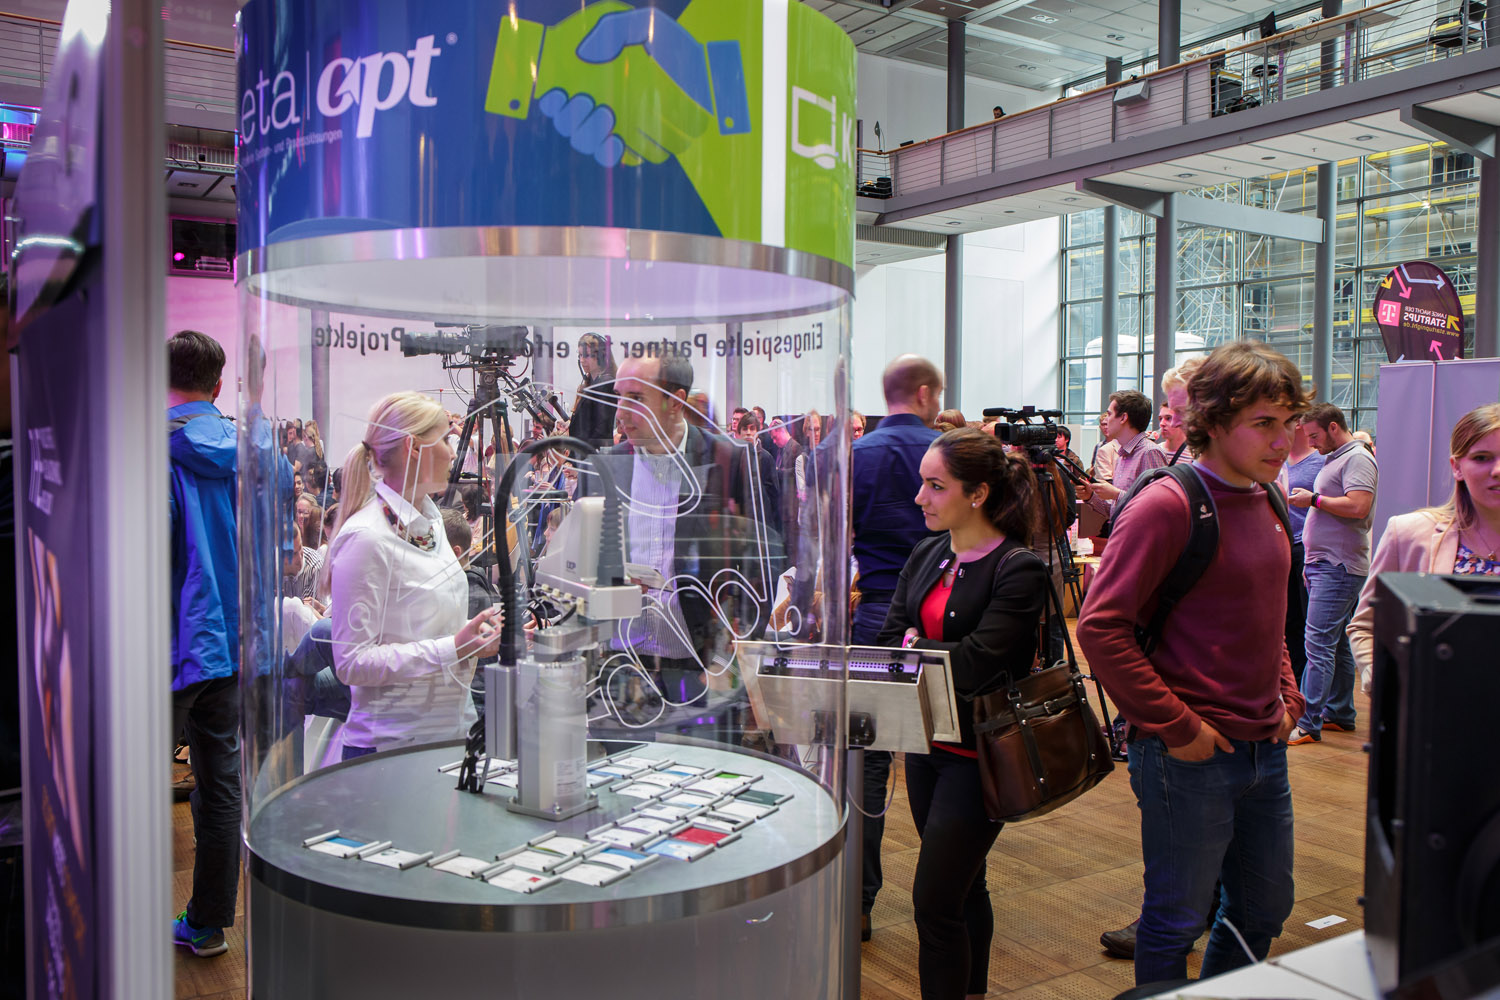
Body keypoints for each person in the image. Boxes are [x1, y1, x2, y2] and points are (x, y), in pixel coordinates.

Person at [1077, 341, 1308, 987]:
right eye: (1264, 422)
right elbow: (1101, 627)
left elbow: (1267, 617)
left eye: (1289, 421)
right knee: (1176, 919)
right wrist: (1179, 728)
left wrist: (1288, 696)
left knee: (1264, 907)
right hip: (1188, 756)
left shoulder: (1268, 498)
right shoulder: (1168, 504)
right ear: (1215, 420)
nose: (1284, 439)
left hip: (1265, 746)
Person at [876, 427, 1047, 1000]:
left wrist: (915, 646)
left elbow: (975, 664)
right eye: (922, 484)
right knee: (966, 886)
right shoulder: (928, 552)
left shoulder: (1018, 568)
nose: (919, 498)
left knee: (935, 904)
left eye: (935, 486)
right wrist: (922, 649)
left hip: (979, 756)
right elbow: (887, 639)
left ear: (977, 494)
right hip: (926, 746)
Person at [586, 356, 768, 721]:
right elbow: (585, 564)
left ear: (675, 402)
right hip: (622, 666)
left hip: (701, 667)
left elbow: (760, 565)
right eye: (619, 397)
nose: (620, 413)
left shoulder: (726, 460)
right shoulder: (605, 466)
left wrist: (730, 659)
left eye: (636, 398)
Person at [326, 391, 503, 760]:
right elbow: (352, 662)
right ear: (413, 447)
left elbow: (424, 628)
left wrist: (476, 636)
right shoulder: (366, 538)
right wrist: (454, 647)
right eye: (445, 439)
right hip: (391, 748)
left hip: (446, 735)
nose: (453, 453)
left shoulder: (431, 521)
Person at [850, 354, 943, 940]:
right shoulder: (947, 453)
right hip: (945, 613)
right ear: (926, 392)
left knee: (869, 757)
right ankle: (948, 899)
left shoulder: (856, 455)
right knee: (944, 755)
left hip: (875, 615)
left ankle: (858, 903)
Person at [166, 331, 243, 958]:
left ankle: (112, 929)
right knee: (221, 786)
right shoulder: (252, 453)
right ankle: (209, 923)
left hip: (168, 646)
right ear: (218, 386)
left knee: (120, 788)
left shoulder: (148, 449)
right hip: (231, 644)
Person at [1350, 404, 1500, 692]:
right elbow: (1366, 625)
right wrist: (1383, 680)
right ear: (1457, 467)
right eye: (1482, 457)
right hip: (1437, 708)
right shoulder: (1409, 534)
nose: (1497, 470)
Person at [1286, 402, 1377, 745]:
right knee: (1335, 643)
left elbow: (1359, 506)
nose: (1311, 443)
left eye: (1314, 435)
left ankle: (1307, 722)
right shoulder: (1339, 457)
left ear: (1333, 428)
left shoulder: (1357, 458)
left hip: (1337, 565)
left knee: (1318, 644)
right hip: (1327, 563)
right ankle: (1339, 712)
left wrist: (1313, 500)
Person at [1277, 416, 1324, 684]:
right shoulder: (1278, 461)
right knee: (1287, 620)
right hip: (1281, 545)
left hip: (1307, 548)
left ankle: (1306, 685)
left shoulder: (1320, 461)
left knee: (1308, 621)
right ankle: (1291, 682)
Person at [1078, 390, 1166, 507]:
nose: (1106, 421)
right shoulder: (1123, 455)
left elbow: (1157, 503)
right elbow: (1116, 510)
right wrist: (1090, 497)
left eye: (1109, 414)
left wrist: (1116, 494)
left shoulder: (1149, 452)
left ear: (1123, 418)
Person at [571, 332, 618, 449]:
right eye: (580, 355)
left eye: (587, 355)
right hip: (586, 452)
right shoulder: (592, 384)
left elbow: (601, 430)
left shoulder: (605, 385)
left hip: (593, 454)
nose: (582, 360)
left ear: (601, 357)